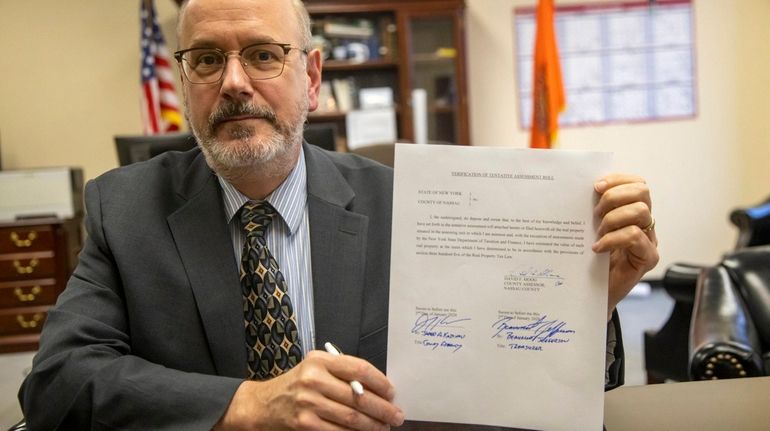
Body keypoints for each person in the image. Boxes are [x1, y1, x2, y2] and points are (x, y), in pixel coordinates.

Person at [19, 0, 659, 429]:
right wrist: (248, 404)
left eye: (264, 55)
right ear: (184, 82)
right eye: (208, 59)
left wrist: (586, 305)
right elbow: (56, 383)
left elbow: (491, 381)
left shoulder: (411, 204)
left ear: (312, 76)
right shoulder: (124, 208)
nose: (235, 82)